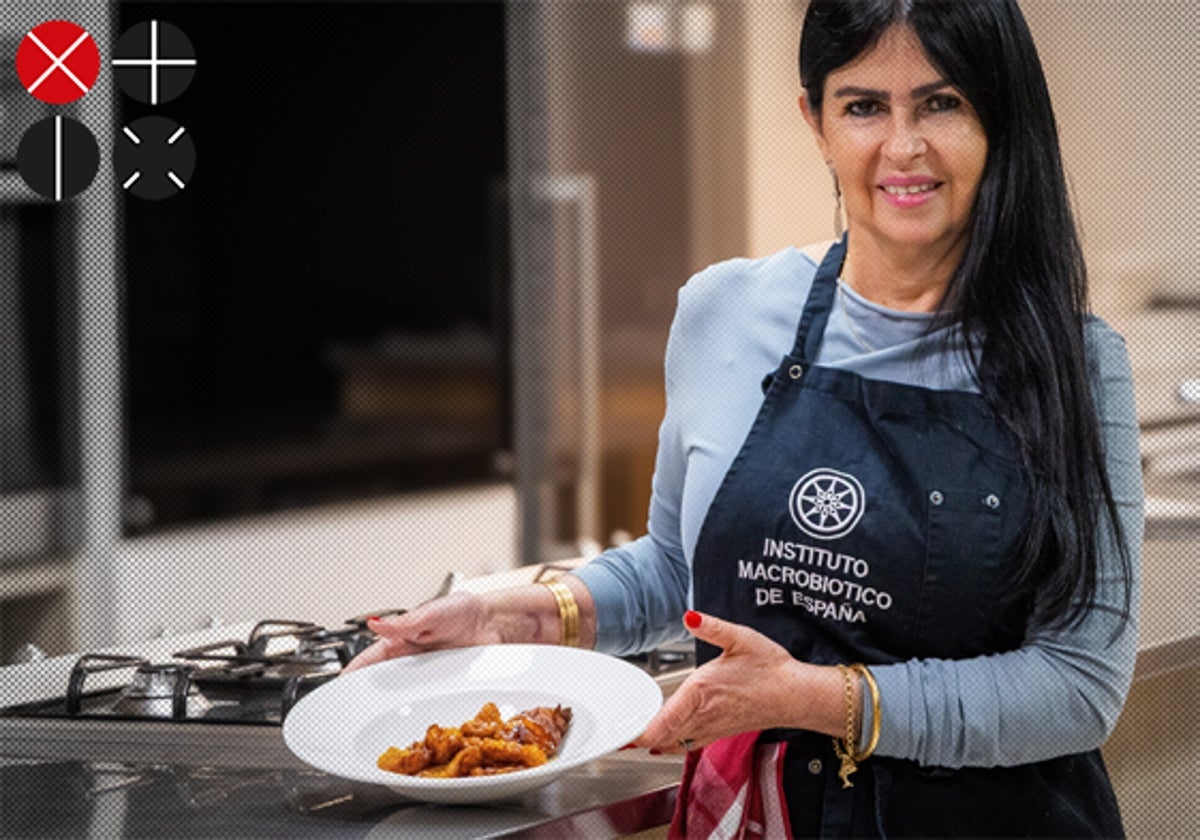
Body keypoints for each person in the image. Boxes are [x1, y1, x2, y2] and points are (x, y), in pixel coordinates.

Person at [346, 0, 1143, 835]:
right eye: (864, 105)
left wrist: (817, 698)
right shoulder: (724, 311)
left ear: (998, 115)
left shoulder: (1077, 364)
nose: (903, 147)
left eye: (942, 102)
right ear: (816, 120)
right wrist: (513, 614)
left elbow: (1077, 684)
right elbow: (677, 568)